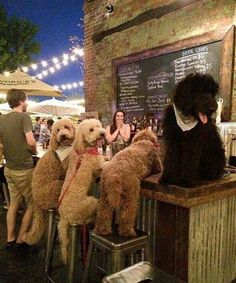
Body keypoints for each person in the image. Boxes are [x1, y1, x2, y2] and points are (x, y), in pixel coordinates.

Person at [0, 89, 36, 253]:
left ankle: (10, 239)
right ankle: (21, 240)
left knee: (13, 204)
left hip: (9, 168)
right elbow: (30, 140)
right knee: (32, 204)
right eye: (26, 100)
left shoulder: (2, 119)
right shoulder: (24, 117)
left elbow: (0, 144)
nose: (27, 103)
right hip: (24, 169)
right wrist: (33, 150)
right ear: (22, 100)